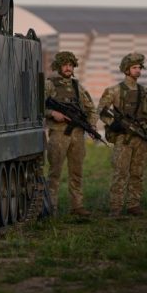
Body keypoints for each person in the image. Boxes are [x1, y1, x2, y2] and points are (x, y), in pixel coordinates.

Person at [98, 52, 147, 217]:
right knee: (121, 173)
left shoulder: (146, 93)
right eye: (134, 67)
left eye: (140, 67)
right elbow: (102, 110)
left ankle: (134, 204)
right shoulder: (114, 90)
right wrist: (115, 124)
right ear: (126, 70)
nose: (138, 70)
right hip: (123, 138)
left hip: (142, 139)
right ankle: (116, 207)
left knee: (137, 173)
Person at [44, 51, 97, 218]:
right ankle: (51, 208)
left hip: (77, 134)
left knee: (77, 172)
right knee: (55, 173)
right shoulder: (49, 85)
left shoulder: (77, 87)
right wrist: (52, 113)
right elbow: (35, 105)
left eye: (71, 65)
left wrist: (92, 126)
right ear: (59, 66)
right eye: (65, 64)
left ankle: (77, 206)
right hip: (58, 134)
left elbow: (91, 109)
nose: (68, 67)